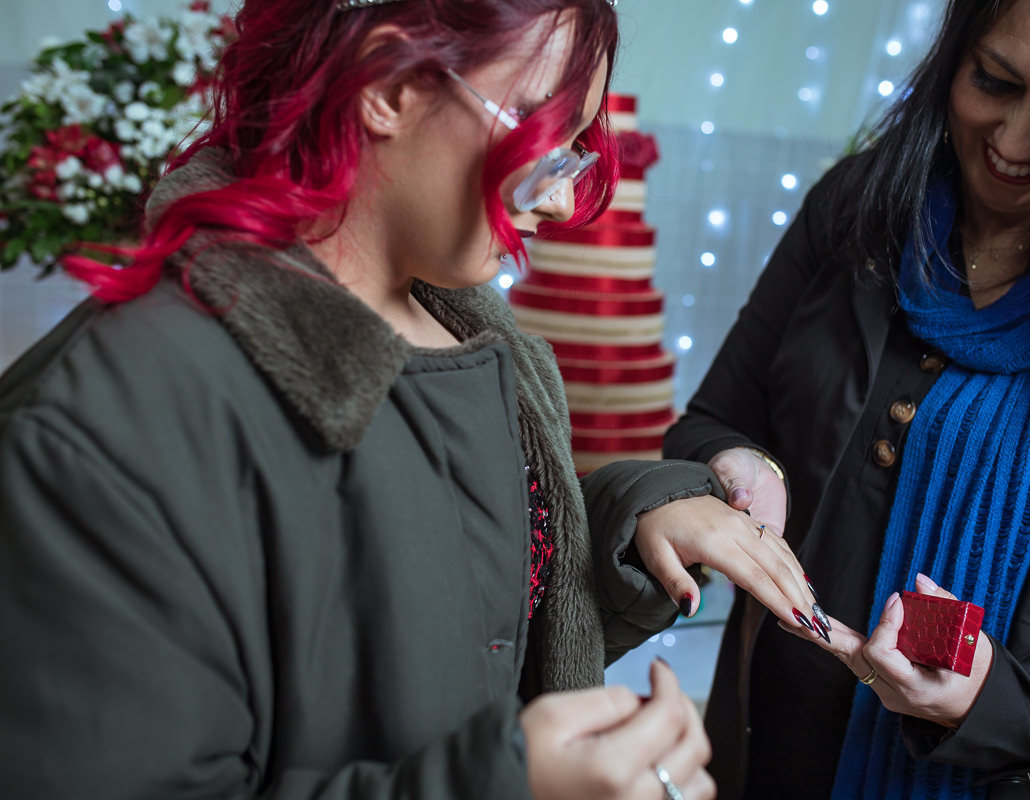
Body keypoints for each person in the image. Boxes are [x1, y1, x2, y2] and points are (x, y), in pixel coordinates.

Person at [0, 1, 821, 798]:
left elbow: (456, 634)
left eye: (577, 151)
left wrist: (633, 527)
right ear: (387, 88)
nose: (564, 200)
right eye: (541, 131)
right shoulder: (102, 427)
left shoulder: (469, 339)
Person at [664, 0, 1030, 797]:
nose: (1015, 138)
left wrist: (1001, 703)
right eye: (995, 82)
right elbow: (711, 424)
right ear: (954, 57)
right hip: (775, 749)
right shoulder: (855, 210)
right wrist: (739, 466)